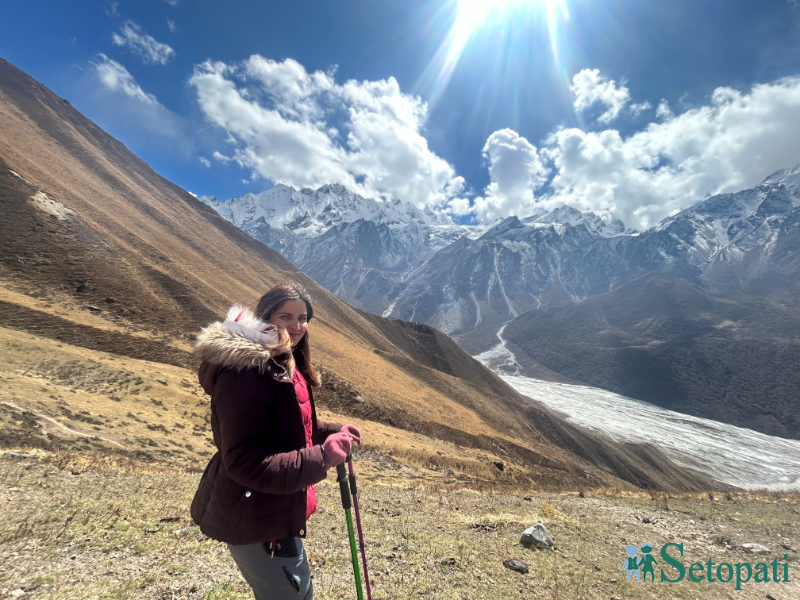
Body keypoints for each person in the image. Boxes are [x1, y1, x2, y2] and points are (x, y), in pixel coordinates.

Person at [191, 281, 361, 599]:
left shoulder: (282, 363)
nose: (296, 326)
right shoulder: (246, 374)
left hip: (272, 512)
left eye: (302, 318)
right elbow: (248, 461)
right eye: (286, 317)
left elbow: (292, 425)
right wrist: (322, 457)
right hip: (255, 516)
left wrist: (332, 431)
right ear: (265, 317)